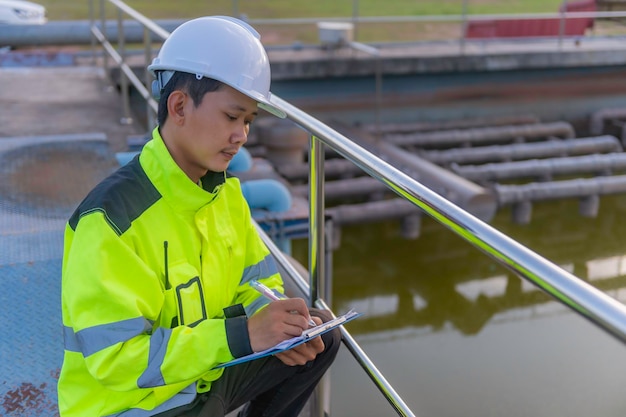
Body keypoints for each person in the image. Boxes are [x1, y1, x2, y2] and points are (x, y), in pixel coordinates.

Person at [58, 16, 340, 417]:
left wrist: (281, 324)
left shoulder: (226, 194)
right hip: (133, 404)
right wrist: (240, 336)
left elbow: (257, 284)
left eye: (247, 120)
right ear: (179, 106)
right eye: (231, 116)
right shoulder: (112, 221)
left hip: (201, 375)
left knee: (322, 339)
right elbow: (117, 359)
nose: (241, 134)